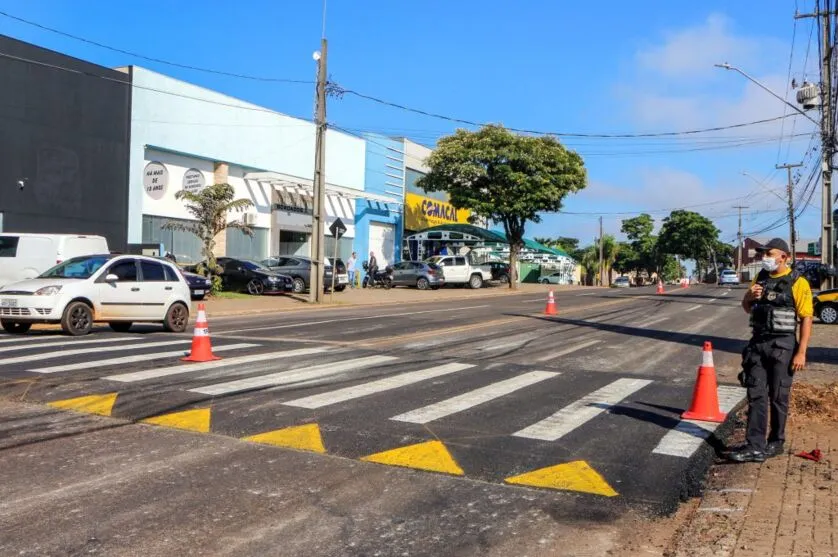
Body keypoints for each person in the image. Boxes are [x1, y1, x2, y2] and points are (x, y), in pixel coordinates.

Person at [727, 238, 813, 463]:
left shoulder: (798, 282)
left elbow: (806, 318)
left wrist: (801, 352)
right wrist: (749, 297)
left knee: (778, 396)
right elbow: (747, 308)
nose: (765, 258)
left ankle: (776, 442)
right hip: (757, 345)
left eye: (770, 254)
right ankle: (754, 445)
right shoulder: (760, 278)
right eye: (763, 254)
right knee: (755, 394)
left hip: (783, 346)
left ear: (784, 257)